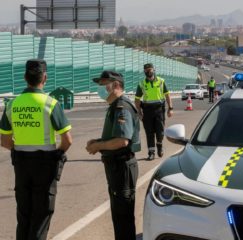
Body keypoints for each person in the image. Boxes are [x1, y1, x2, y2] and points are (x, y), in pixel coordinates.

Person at [0, 59, 72, 240]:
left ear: (25, 77)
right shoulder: (51, 103)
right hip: (46, 165)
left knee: (24, 215)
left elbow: (5, 141)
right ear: (45, 78)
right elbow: (67, 140)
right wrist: (58, 153)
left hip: (21, 164)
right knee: (41, 215)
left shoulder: (12, 105)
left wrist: (20, 149)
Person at [86, 70, 141, 240]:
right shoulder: (115, 106)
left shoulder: (122, 107)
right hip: (116, 166)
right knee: (119, 215)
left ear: (116, 85)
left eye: (104, 85)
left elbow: (122, 140)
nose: (101, 89)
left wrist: (98, 146)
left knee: (123, 216)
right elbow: (115, 136)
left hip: (122, 166)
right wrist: (98, 141)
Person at [134, 63, 173, 161]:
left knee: (160, 131)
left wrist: (170, 108)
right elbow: (137, 99)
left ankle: (159, 145)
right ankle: (151, 152)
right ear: (144, 71)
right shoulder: (141, 83)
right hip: (147, 111)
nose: (148, 71)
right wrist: (139, 111)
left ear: (154, 70)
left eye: (150, 69)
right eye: (146, 70)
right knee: (149, 132)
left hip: (159, 110)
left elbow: (167, 95)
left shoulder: (161, 81)